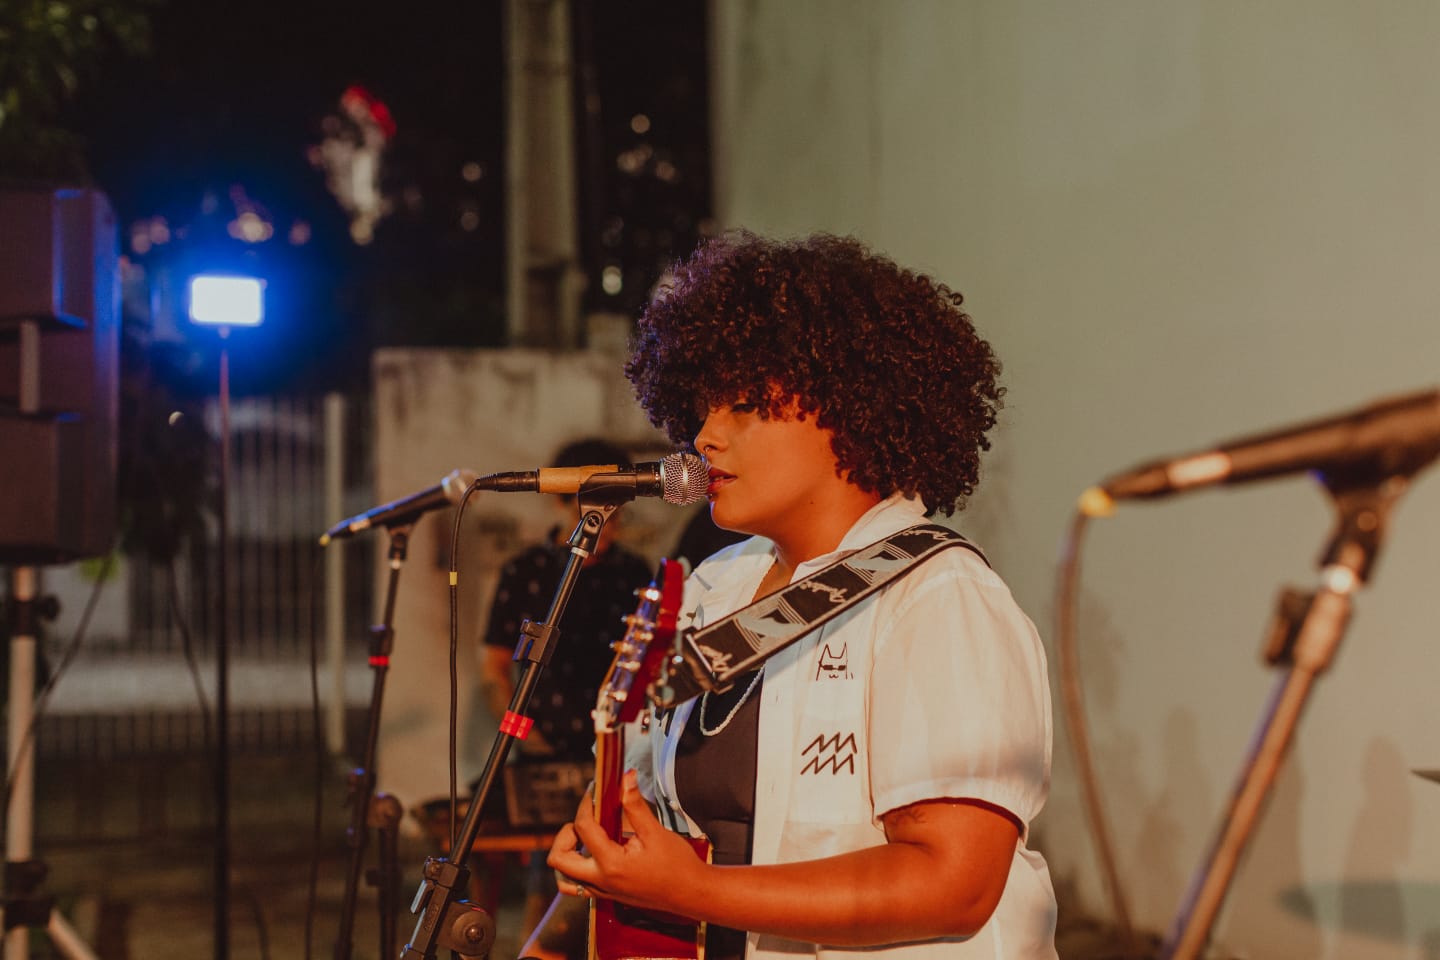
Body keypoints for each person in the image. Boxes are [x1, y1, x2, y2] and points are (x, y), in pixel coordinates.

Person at [546, 231, 1059, 960]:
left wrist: (694, 892)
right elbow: (642, 812)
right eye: (703, 408)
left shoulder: (939, 597)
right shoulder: (712, 587)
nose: (704, 437)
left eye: (744, 405)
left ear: (852, 407)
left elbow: (955, 883)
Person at [480, 437, 655, 958]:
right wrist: (521, 733)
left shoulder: (634, 572)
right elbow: (494, 669)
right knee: (550, 876)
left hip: (615, 750)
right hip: (545, 749)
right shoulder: (527, 571)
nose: (611, 521)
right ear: (562, 502)